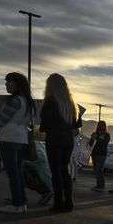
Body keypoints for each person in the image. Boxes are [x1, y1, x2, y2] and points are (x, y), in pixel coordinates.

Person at [0, 72, 36, 214]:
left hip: (8, 138)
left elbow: (1, 121)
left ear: (17, 84)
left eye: (9, 82)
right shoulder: (28, 102)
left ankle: (17, 204)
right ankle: (21, 203)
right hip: (21, 139)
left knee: (13, 173)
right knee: (18, 172)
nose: (6, 84)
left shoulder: (15, 101)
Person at [40, 73, 82, 212]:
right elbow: (77, 125)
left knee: (56, 171)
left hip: (54, 138)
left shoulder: (50, 101)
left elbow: (45, 124)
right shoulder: (71, 104)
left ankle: (58, 203)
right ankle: (68, 202)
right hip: (68, 139)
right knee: (64, 170)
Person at [89, 121, 110, 191]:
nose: (100, 127)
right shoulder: (95, 133)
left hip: (102, 154)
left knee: (99, 170)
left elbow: (105, 143)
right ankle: (98, 184)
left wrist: (97, 137)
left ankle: (101, 185)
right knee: (96, 170)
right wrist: (92, 138)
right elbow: (90, 144)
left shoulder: (107, 135)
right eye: (99, 125)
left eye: (102, 125)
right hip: (95, 153)